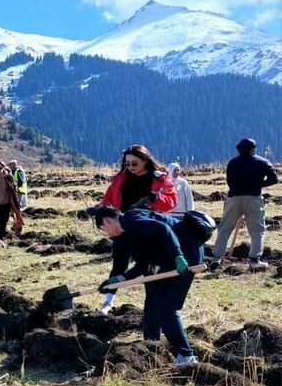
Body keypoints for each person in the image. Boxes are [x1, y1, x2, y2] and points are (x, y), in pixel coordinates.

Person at [95, 206, 203, 366]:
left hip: (186, 255)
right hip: (167, 261)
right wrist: (117, 280)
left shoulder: (132, 220)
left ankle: (186, 356)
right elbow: (141, 266)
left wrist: (178, 256)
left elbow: (164, 229)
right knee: (152, 303)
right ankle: (151, 348)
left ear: (107, 221)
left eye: (104, 229)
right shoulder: (123, 236)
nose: (107, 234)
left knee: (166, 307)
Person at [96, 145, 177, 314]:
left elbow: (171, 202)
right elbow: (109, 196)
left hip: (145, 229)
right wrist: (100, 207)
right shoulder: (121, 178)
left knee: (147, 267)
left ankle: (153, 306)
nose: (130, 167)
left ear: (145, 161)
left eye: (134, 163)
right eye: (127, 164)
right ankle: (108, 302)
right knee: (119, 263)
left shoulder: (159, 179)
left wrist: (157, 198)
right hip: (121, 226)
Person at [210, 138, 279, 271]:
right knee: (257, 230)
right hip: (253, 197)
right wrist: (259, 185)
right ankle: (254, 260)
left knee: (225, 229)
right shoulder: (263, 162)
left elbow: (229, 181)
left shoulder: (232, 162)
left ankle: (217, 258)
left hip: (234, 197)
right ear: (254, 149)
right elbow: (274, 179)